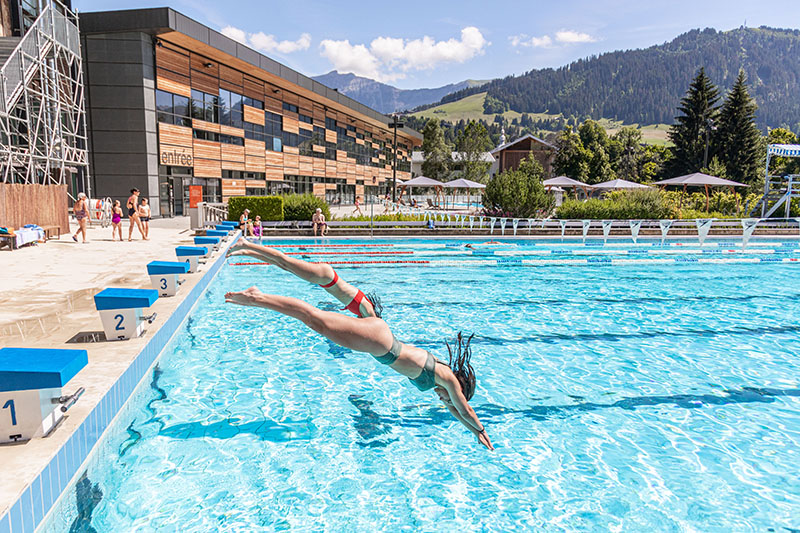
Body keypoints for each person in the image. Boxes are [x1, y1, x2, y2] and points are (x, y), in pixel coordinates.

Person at [223, 288, 493, 450]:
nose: (444, 400)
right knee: (313, 318)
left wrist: (473, 433)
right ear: (459, 387)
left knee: (315, 321)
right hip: (381, 344)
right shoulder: (447, 379)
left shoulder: (440, 380)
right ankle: (257, 297)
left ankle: (259, 298)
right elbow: (465, 409)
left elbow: (458, 413)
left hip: (382, 342)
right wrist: (482, 430)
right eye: (450, 398)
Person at [228, 240, 380, 318]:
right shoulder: (368, 311)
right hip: (326, 278)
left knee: (283, 265)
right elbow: (375, 328)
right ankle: (246, 244)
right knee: (284, 261)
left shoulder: (365, 308)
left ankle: (247, 252)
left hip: (326, 279)